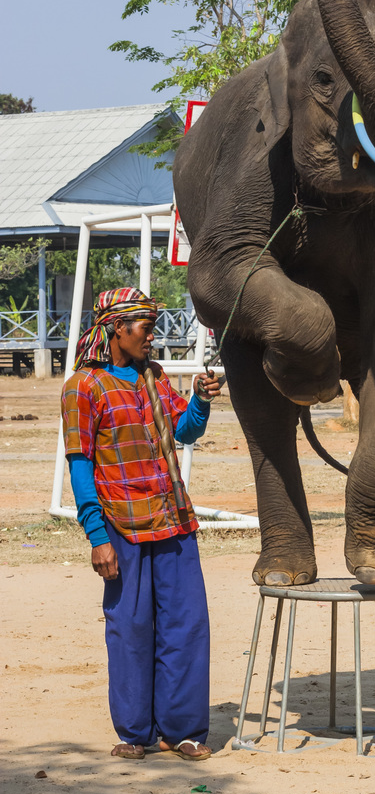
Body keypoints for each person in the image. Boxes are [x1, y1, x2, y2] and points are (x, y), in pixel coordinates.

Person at [61, 287, 221, 761]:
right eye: (146, 328)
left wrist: (200, 401)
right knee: (130, 628)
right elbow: (80, 466)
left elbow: (184, 431)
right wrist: (97, 538)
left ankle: (182, 731)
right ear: (117, 329)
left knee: (186, 626)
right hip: (121, 527)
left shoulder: (154, 376)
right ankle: (135, 733)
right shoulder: (83, 387)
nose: (152, 337)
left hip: (174, 521)